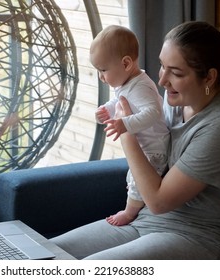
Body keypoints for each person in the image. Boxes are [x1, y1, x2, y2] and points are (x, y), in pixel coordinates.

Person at [51, 21, 220, 259]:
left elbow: (159, 201)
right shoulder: (179, 101)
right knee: (46, 254)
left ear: (209, 77)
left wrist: (126, 129)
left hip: (200, 236)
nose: (162, 81)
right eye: (162, 66)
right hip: (147, 220)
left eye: (176, 73)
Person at [91, 25, 170, 226]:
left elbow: (153, 113)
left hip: (155, 149)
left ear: (126, 63)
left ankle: (129, 212)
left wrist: (124, 124)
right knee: (133, 179)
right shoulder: (126, 84)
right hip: (144, 149)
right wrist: (106, 111)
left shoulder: (141, 86)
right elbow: (120, 103)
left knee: (137, 182)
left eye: (103, 70)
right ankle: (137, 202)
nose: (101, 77)